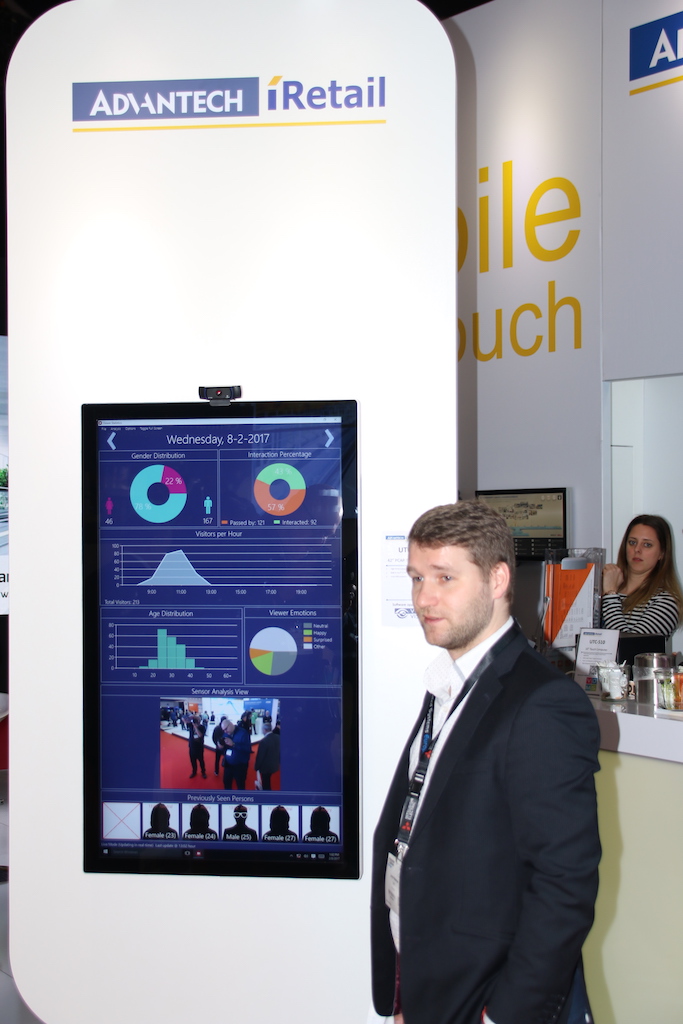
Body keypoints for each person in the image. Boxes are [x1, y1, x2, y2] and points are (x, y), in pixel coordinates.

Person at [371, 500, 601, 1024]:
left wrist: (503, 1016)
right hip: (428, 985)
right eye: (416, 578)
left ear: (497, 579)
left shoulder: (543, 702)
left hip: (486, 998)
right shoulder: (448, 683)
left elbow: (564, 884)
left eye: (444, 577)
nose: (423, 598)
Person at [601, 513, 683, 637]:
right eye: (632, 542)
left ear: (662, 553)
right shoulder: (602, 587)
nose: (637, 549)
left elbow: (631, 645)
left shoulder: (667, 602)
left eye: (647, 545)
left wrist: (610, 594)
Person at [222, 718, 252, 790]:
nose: (225, 731)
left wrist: (234, 744)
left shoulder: (243, 733)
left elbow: (247, 749)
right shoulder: (226, 733)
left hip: (240, 765)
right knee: (226, 783)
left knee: (240, 785)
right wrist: (221, 746)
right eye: (223, 730)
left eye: (226, 729)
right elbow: (224, 747)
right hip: (228, 763)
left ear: (231, 724)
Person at [254, 722, 280, 790]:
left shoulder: (264, 741)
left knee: (266, 783)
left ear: (264, 730)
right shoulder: (278, 737)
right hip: (275, 764)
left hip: (266, 768)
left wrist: (256, 767)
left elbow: (260, 756)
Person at [186, 713, 207, 779]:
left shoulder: (202, 727)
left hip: (199, 747)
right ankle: (194, 772)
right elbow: (184, 719)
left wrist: (195, 727)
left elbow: (200, 735)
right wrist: (191, 717)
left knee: (201, 761)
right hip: (192, 747)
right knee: (193, 761)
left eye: (197, 719)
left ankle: (203, 772)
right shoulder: (191, 725)